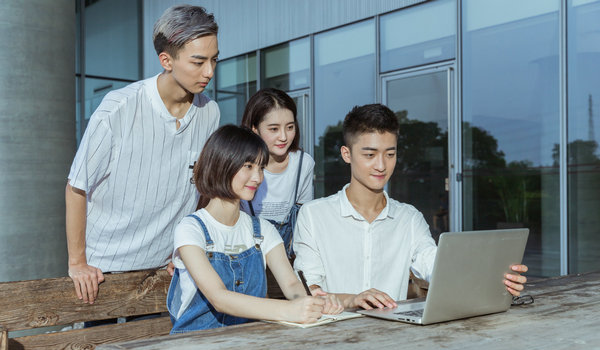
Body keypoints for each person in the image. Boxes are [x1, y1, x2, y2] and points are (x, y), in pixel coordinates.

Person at [293, 104, 528, 310]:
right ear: (347, 154)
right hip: (330, 340)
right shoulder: (314, 215)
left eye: (390, 154)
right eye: (370, 154)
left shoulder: (409, 218)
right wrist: (354, 299)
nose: (381, 165)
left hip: (394, 338)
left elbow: (436, 265)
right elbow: (309, 291)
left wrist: (494, 278)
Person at [66, 5, 220, 304]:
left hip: (166, 272)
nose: (209, 71)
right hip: (103, 273)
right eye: (199, 61)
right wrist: (77, 263)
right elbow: (76, 187)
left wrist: (186, 249)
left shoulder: (210, 112)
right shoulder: (117, 108)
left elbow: (202, 189)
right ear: (166, 60)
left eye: (214, 60)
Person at [167, 125, 343, 333]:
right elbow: (219, 298)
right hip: (193, 345)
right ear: (222, 164)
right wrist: (288, 310)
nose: (258, 177)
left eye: (261, 168)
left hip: (250, 342)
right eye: (249, 166)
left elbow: (292, 286)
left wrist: (313, 301)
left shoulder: (263, 231)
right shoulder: (191, 228)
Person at [240, 88, 314, 258]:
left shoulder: (303, 163)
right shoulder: (239, 164)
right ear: (254, 129)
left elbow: (305, 219)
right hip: (246, 258)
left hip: (287, 258)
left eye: (290, 127)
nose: (283, 137)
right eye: (274, 129)